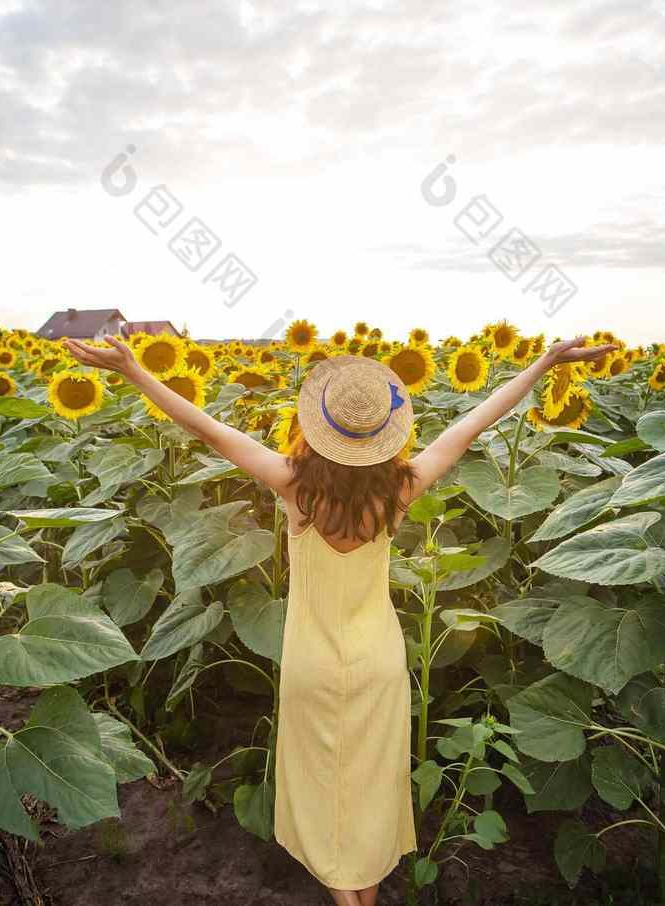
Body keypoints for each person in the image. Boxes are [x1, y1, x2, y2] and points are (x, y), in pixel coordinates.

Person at [61, 332, 618, 906]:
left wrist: (133, 371)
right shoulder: (402, 489)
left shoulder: (293, 486)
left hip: (312, 662)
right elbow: (472, 423)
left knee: (322, 783)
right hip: (378, 662)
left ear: (319, 426)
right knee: (372, 787)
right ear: (385, 437)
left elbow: (206, 427)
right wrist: (544, 362)